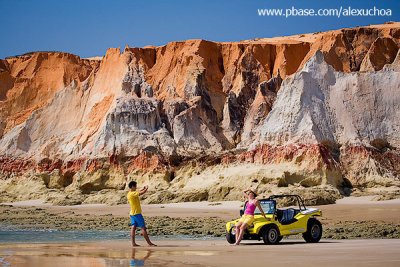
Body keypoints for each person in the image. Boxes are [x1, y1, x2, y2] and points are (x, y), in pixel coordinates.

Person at [127, 181, 156, 247]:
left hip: (132, 213)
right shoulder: (133, 194)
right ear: (132, 186)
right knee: (143, 228)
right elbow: (140, 193)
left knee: (133, 228)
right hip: (137, 213)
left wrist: (143, 188)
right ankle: (149, 243)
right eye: (135, 186)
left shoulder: (129, 193)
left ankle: (133, 243)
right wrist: (146, 189)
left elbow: (138, 191)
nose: (136, 187)